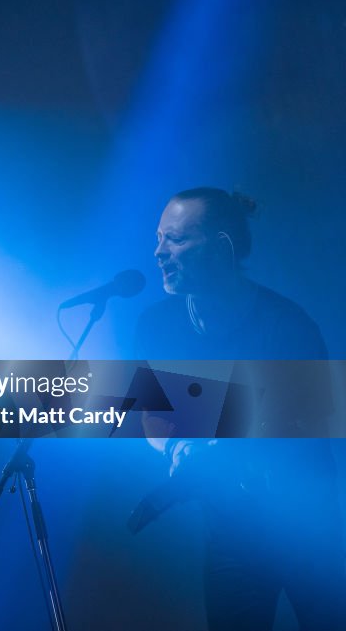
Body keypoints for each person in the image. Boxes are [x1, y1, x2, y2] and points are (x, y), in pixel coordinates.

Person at [135, 187, 346, 630]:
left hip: (310, 527)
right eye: (158, 238)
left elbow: (309, 425)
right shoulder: (155, 325)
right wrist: (175, 447)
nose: (158, 252)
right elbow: (152, 412)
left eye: (175, 240)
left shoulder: (288, 326)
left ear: (222, 246)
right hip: (232, 532)